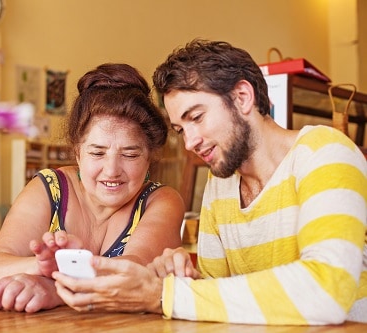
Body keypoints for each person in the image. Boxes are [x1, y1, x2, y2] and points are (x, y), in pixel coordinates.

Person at [52, 39, 367, 325]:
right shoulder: (221, 186)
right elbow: (220, 297)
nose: (190, 142)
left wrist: (165, 294)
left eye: (197, 117)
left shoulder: (325, 152)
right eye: (180, 129)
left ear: (242, 97)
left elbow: (327, 290)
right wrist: (183, 277)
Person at [0, 63, 185, 313]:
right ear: (77, 153)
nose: (112, 170)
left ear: (150, 157)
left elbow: (129, 274)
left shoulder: (161, 201)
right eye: (97, 153)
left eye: (130, 155)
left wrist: (54, 289)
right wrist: (44, 267)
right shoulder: (48, 188)